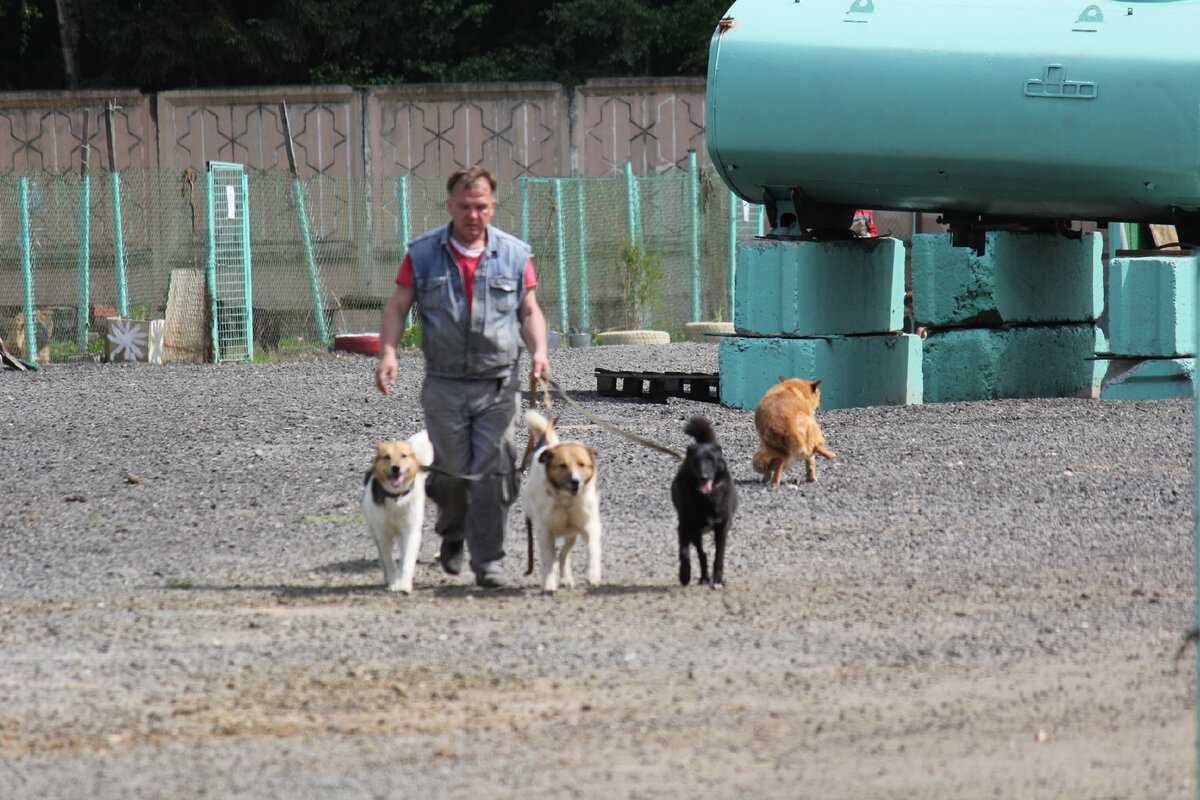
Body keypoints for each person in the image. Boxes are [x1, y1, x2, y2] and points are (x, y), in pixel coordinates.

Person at [374, 166, 550, 588]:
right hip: (445, 383)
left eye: (481, 206)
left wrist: (540, 350)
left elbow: (529, 310)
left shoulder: (513, 254)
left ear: (493, 206)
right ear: (450, 205)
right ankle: (453, 533)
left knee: (492, 470)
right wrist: (388, 352)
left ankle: (489, 561)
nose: (473, 215)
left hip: (498, 384)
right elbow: (398, 307)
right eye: (465, 206)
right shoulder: (422, 253)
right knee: (452, 472)